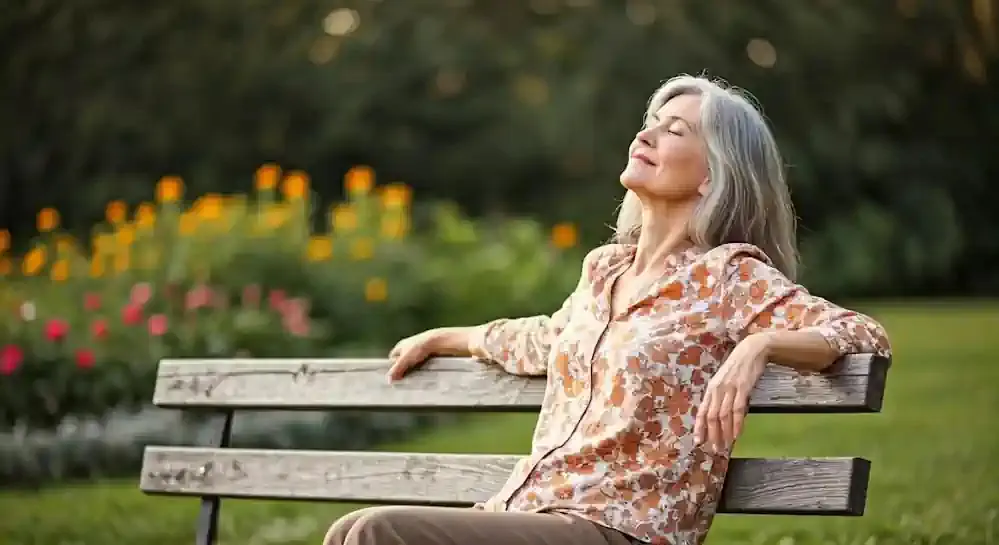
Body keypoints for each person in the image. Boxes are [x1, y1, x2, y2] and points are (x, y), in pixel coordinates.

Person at [323, 74, 892, 545]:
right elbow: (547, 339)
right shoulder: (604, 270)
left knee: (378, 533)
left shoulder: (728, 276)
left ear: (712, 175)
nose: (645, 135)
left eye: (674, 130)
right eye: (649, 123)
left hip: (625, 528)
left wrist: (759, 345)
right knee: (347, 531)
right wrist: (446, 337)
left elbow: (860, 332)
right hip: (537, 510)